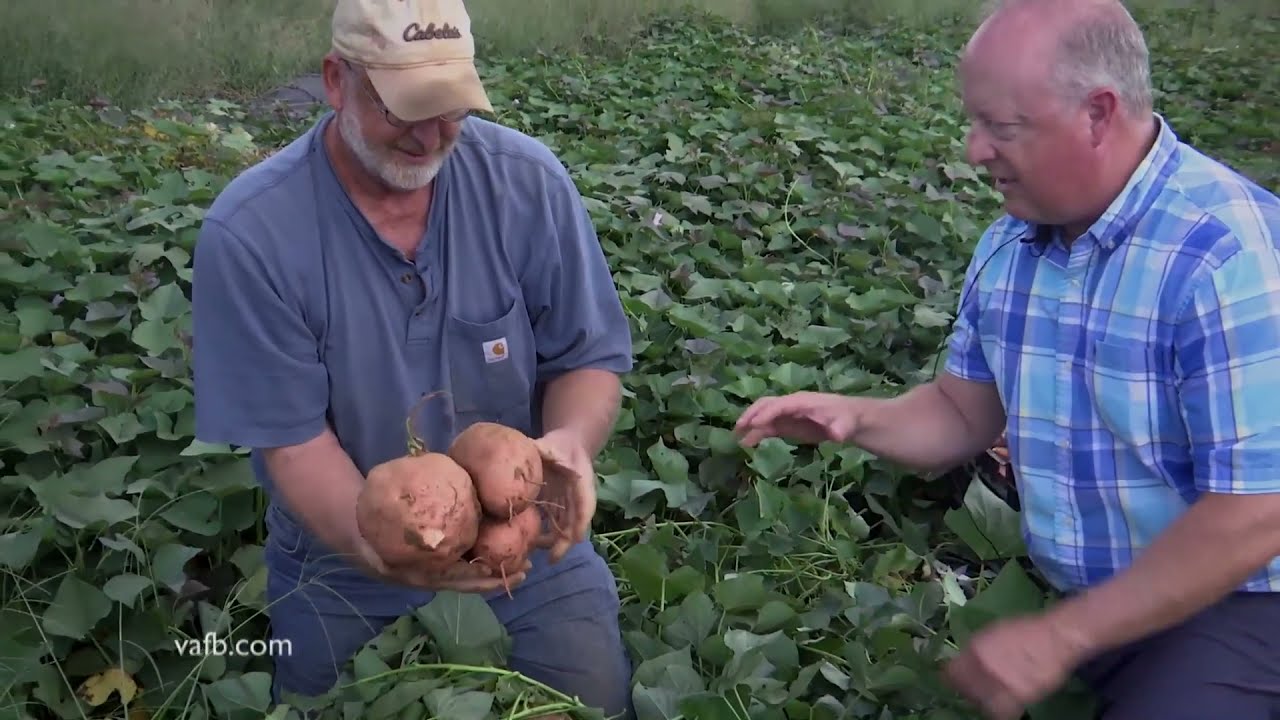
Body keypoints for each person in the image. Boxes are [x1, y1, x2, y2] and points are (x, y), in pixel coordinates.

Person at [734, 0, 1280, 718]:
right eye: (975, 122)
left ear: (1097, 113)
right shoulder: (1012, 243)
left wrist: (1061, 637)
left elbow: (1255, 514)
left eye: (1003, 127)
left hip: (1238, 602)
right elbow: (964, 412)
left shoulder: (1226, 254)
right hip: (1091, 598)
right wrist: (854, 418)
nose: (974, 150)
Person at [189, 0, 635, 716]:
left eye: (450, 106)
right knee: (325, 706)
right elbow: (294, 445)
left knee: (593, 700)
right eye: (403, 109)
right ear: (336, 81)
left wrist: (565, 453)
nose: (430, 136)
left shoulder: (526, 182)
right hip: (341, 556)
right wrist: (389, 550)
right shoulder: (252, 235)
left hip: (525, 536)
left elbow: (588, 359)